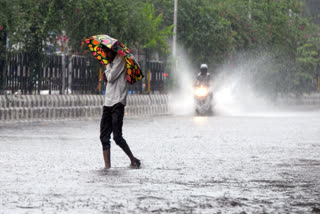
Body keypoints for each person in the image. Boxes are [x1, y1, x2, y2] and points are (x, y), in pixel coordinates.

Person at [100, 46, 141, 169]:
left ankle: (133, 160)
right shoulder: (110, 63)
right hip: (108, 102)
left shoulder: (120, 61)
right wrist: (106, 74)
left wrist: (106, 71)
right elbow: (107, 79)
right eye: (104, 52)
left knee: (117, 137)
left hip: (118, 102)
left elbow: (111, 78)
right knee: (104, 136)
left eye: (107, 52)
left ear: (112, 51)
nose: (106, 55)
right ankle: (107, 167)